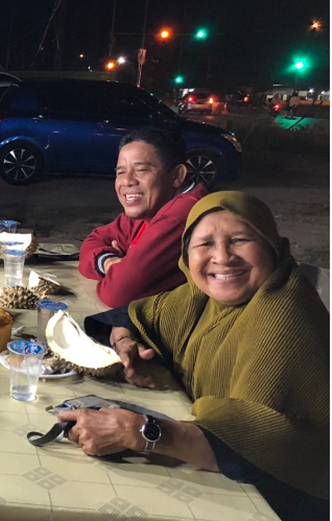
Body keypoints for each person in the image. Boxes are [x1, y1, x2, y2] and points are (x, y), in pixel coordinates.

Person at [66, 192, 329, 521]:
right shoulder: (200, 297)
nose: (222, 257)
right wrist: (124, 340)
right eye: (204, 244)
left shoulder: (283, 313)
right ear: (186, 254)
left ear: (272, 247)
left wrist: (138, 431)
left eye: (240, 240)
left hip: (284, 501)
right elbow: (136, 315)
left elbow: (265, 443)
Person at [79, 127, 208, 308]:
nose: (127, 181)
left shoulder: (181, 216)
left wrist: (122, 268)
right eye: (121, 172)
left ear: (177, 176)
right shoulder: (149, 209)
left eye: (142, 170)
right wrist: (108, 261)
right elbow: (94, 240)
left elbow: (117, 293)